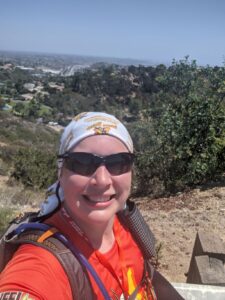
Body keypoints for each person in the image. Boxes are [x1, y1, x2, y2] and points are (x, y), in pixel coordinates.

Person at [0, 112, 183, 300]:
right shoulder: (41, 263)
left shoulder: (126, 221)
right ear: (61, 173)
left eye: (118, 163)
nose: (102, 180)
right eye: (82, 163)